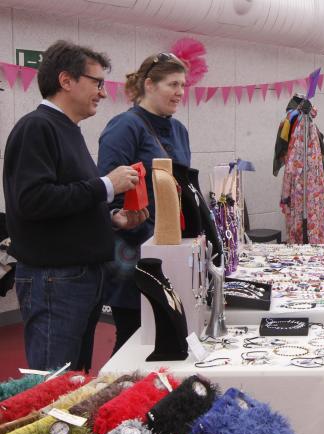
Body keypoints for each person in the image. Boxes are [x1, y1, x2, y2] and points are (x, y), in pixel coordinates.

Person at [3, 40, 147, 371]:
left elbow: (67, 201)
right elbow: (32, 200)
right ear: (66, 80)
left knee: (73, 380)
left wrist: (112, 219)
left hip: (78, 278)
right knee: (53, 384)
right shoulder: (36, 127)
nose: (103, 92)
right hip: (55, 280)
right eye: (97, 82)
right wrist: (107, 185)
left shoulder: (68, 130)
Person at [98, 52, 190, 353]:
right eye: (172, 84)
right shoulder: (124, 126)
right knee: (133, 342)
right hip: (134, 250)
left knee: (169, 336)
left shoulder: (179, 130)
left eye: (183, 85)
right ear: (149, 84)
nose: (180, 92)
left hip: (171, 247)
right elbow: (108, 189)